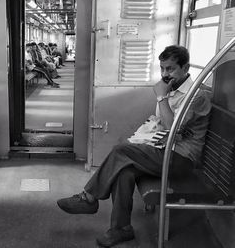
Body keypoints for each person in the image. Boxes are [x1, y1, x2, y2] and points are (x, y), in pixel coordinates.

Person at [57, 45, 211, 247]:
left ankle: (89, 197)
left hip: (181, 159)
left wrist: (161, 96)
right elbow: (161, 123)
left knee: (121, 150)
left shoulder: (197, 95)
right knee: (124, 172)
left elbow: (173, 130)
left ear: (186, 67)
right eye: (162, 68)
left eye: (170, 69)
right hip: (162, 151)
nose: (165, 74)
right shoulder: (171, 89)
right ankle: (121, 229)